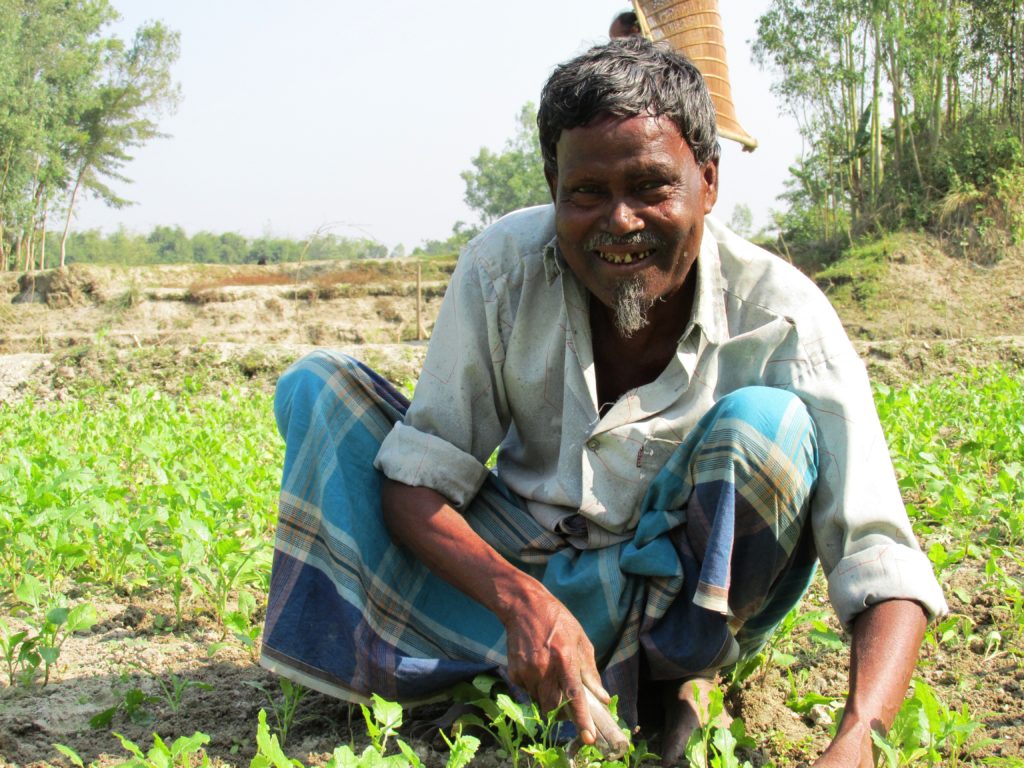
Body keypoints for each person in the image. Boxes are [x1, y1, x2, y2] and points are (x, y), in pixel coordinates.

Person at [261, 37, 946, 766]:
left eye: (652, 186)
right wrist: (526, 605)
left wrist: (861, 735)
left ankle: (675, 676)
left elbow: (880, 559)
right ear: (554, 187)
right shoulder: (502, 268)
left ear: (708, 183)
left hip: (688, 600)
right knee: (321, 386)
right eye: (587, 193)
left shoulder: (784, 317)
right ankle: (537, 664)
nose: (619, 221)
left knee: (766, 428)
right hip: (531, 563)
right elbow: (416, 483)